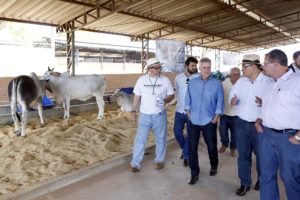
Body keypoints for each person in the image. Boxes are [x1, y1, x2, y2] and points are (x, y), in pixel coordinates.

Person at [255, 49, 300, 200]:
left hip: (289, 139)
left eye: (265, 64)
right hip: (266, 136)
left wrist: (298, 138)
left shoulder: (297, 81)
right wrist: (259, 120)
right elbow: (265, 106)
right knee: (266, 176)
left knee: (290, 179)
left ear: (275, 64)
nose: (263, 68)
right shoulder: (269, 84)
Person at [229, 54, 271, 196]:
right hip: (241, 123)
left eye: (244, 66)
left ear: (253, 67)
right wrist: (233, 101)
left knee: (262, 156)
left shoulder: (268, 83)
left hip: (260, 126)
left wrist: (264, 103)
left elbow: (276, 105)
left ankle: (261, 179)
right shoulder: (241, 82)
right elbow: (232, 96)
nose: (242, 70)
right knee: (243, 156)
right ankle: (245, 183)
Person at [129, 57, 174, 172]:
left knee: (161, 139)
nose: (159, 70)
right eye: (157, 68)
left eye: (160, 68)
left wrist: (165, 100)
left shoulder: (165, 80)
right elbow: (137, 97)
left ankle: (159, 161)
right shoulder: (141, 80)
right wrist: (133, 111)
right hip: (144, 116)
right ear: (149, 69)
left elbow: (171, 95)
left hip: (159, 115)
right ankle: (135, 163)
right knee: (140, 140)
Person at [185, 57, 224, 185]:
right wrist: (189, 114)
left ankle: (214, 165)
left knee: (212, 146)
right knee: (192, 148)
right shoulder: (192, 82)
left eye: (208, 67)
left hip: (209, 121)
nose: (207, 70)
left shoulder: (217, 84)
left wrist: (216, 118)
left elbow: (220, 101)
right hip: (194, 120)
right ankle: (194, 173)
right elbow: (187, 99)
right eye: (204, 67)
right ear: (199, 68)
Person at [174, 57, 198, 167]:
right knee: (177, 133)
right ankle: (185, 149)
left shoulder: (198, 78)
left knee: (190, 135)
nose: (194, 68)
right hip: (179, 111)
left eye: (195, 66)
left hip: (192, 112)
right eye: (192, 65)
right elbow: (177, 93)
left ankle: (186, 155)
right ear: (186, 66)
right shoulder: (178, 78)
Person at [219, 67, 241, 157]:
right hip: (224, 113)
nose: (237, 76)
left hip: (236, 115)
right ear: (230, 75)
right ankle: (224, 144)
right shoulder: (224, 83)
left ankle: (233, 148)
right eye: (234, 74)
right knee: (223, 132)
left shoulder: (242, 84)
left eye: (238, 74)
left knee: (235, 134)